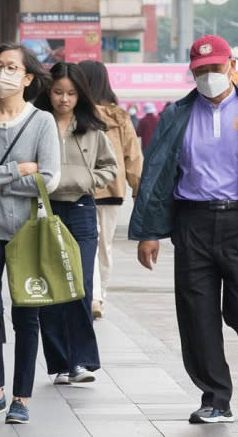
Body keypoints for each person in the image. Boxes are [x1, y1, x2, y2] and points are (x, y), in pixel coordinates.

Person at [130, 35, 238, 424]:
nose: (209, 76)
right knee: (197, 315)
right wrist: (149, 231)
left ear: (231, 65)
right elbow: (156, 176)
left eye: (215, 68)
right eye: (200, 70)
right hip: (193, 223)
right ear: (192, 72)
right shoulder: (177, 115)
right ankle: (215, 397)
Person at [0, 43, 59, 425]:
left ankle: (21, 396)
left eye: (12, 67)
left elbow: (49, 180)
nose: (2, 73)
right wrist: (20, 170)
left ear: (28, 77)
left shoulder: (42, 122)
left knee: (26, 314)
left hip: (28, 231)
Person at [35, 62, 116, 385]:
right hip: (46, 210)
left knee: (80, 286)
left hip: (81, 209)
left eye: (70, 93)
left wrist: (87, 179)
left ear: (80, 94)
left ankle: (80, 361)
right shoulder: (37, 123)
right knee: (52, 289)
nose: (64, 99)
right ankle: (59, 363)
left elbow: (110, 168)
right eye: (58, 92)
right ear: (48, 92)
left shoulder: (92, 128)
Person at [78, 60, 143, 319]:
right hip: (112, 189)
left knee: (85, 242)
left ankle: (90, 295)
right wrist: (138, 190)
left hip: (80, 188)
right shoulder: (119, 116)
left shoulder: (76, 114)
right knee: (104, 245)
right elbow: (133, 157)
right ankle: (100, 295)